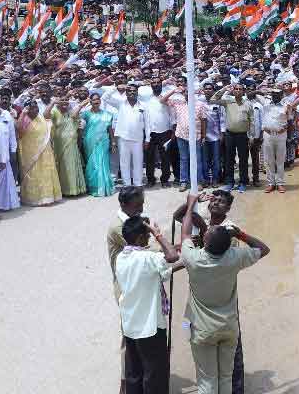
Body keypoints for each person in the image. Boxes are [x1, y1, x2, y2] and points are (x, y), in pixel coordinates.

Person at [177, 191, 271, 394]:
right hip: (226, 314)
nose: (216, 203)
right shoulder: (232, 250)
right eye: (215, 200)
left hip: (202, 318)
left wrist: (191, 202)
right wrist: (198, 216)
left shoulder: (215, 240)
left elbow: (184, 232)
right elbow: (262, 249)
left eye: (222, 202)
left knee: (207, 380)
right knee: (224, 377)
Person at [115, 214, 179, 394]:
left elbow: (160, 269)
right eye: (148, 235)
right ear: (141, 237)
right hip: (150, 327)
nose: (150, 238)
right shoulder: (147, 258)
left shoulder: (122, 257)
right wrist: (159, 235)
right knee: (154, 376)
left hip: (131, 325)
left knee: (134, 374)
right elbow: (172, 256)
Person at [17, 100, 62, 206]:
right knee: (33, 174)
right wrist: (23, 114)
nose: (35, 109)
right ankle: (34, 199)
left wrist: (52, 103)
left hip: (45, 152)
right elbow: (18, 129)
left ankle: (48, 197)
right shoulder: (25, 119)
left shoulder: (42, 118)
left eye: (36, 107)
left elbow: (47, 113)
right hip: (30, 154)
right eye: (31, 108)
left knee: (46, 173)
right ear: (26, 109)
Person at [253, 83, 296, 193]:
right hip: (268, 134)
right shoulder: (265, 102)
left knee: (280, 160)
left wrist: (290, 136)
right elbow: (250, 95)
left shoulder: (286, 105)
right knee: (269, 160)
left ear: (281, 95)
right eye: (273, 94)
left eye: (277, 94)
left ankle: (280, 183)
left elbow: (290, 121)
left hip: (281, 135)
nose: (275, 96)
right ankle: (271, 183)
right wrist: (262, 91)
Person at [212, 83, 253, 191]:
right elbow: (213, 99)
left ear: (243, 91)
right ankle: (229, 182)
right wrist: (225, 89)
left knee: (243, 160)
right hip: (229, 134)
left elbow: (252, 120)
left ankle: (243, 182)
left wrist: (252, 136)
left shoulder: (248, 104)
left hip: (243, 135)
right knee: (229, 159)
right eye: (236, 89)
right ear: (233, 91)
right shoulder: (228, 101)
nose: (238, 91)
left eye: (240, 89)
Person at [51, 92, 87, 197]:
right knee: (62, 167)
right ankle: (62, 190)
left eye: (66, 100)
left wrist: (80, 106)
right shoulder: (54, 112)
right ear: (57, 102)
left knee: (71, 164)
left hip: (71, 144)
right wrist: (53, 103)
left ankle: (73, 190)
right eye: (62, 100)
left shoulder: (70, 112)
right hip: (58, 144)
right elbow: (45, 115)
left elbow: (75, 116)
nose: (64, 102)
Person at [82, 94, 117, 197]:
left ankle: (103, 187)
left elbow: (110, 130)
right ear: (90, 102)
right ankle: (93, 187)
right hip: (90, 143)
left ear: (100, 101)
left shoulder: (107, 114)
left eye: (98, 99)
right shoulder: (85, 114)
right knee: (92, 165)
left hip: (103, 142)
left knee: (103, 164)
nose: (96, 101)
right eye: (93, 100)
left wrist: (113, 142)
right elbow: (79, 126)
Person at [114, 88, 150, 187]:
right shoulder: (120, 104)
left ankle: (138, 184)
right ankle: (127, 184)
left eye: (134, 91)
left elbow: (147, 123)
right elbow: (105, 97)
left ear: (137, 93)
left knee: (138, 163)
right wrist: (117, 86)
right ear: (126, 93)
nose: (132, 92)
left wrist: (147, 139)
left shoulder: (143, 106)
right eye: (129, 91)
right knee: (124, 163)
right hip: (123, 138)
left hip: (138, 139)